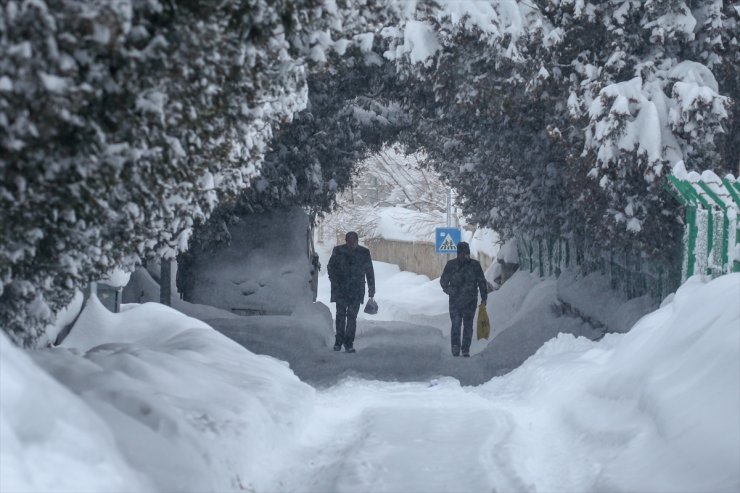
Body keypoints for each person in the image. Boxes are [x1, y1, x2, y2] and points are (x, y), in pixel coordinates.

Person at [327, 231, 375, 353]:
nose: (352, 243)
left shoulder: (364, 253)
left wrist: (371, 290)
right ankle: (338, 341)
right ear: (346, 241)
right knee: (340, 316)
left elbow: (369, 272)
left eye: (354, 241)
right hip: (342, 289)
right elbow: (330, 267)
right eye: (350, 241)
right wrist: (334, 280)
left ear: (357, 241)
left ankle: (348, 343)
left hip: (356, 290)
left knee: (351, 317)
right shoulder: (338, 251)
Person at [440, 241, 488, 357]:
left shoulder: (475, 265)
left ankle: (465, 349)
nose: (464, 255)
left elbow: (482, 282)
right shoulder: (451, 265)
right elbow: (443, 281)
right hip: (455, 302)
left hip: (470, 302)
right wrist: (449, 290)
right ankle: (455, 347)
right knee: (456, 324)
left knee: (468, 326)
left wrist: (484, 297)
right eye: (461, 253)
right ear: (458, 253)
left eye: (466, 253)